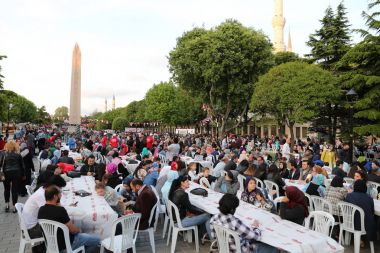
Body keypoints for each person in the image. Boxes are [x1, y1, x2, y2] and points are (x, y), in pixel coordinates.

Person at [37, 185, 100, 253]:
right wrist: (79, 230)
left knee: (87, 241)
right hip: (67, 244)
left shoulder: (41, 210)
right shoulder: (60, 210)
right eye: (60, 194)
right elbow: (73, 230)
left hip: (51, 245)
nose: (61, 196)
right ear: (55, 196)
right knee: (97, 241)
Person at [210, 194, 278, 253]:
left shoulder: (214, 218)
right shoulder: (235, 223)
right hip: (241, 250)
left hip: (224, 249)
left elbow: (213, 236)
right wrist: (256, 227)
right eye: (235, 208)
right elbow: (257, 237)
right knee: (273, 249)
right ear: (232, 209)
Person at [23, 175, 66, 253]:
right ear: (53, 186)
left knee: (63, 224)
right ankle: (57, 249)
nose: (60, 190)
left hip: (34, 224)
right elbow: (51, 212)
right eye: (60, 188)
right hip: (32, 230)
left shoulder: (43, 190)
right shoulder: (42, 195)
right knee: (63, 228)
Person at [345, 180, 376, 245]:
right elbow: (372, 212)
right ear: (365, 188)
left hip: (350, 223)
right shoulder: (369, 198)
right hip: (365, 226)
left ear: (355, 187)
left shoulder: (349, 196)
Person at [1, 140, 25, 213]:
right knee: (14, 190)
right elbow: (22, 166)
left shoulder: (4, 154)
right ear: (15, 146)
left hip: (6, 173)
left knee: (6, 189)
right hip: (16, 173)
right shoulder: (18, 155)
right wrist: (23, 175)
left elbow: (1, 164)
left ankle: (7, 205)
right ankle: (14, 207)